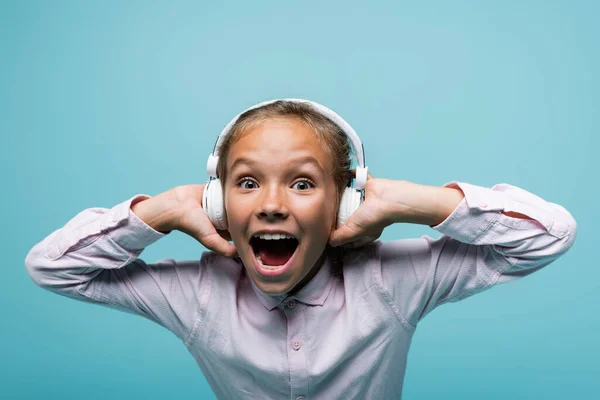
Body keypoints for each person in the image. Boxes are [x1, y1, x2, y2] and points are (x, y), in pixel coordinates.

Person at [25, 99, 577, 399]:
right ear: (217, 204)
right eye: (245, 183)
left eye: (304, 183)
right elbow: (52, 268)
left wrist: (409, 201)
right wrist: (163, 209)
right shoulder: (194, 295)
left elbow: (548, 235)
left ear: (342, 204)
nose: (270, 204)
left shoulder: (392, 284)